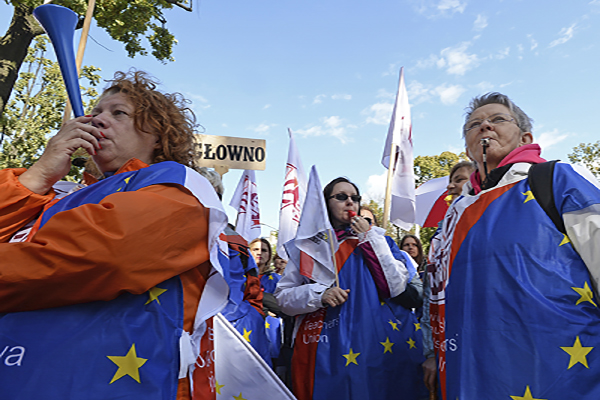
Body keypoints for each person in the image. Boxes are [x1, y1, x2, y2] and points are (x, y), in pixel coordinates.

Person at [0, 70, 228, 400]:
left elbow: (93, 258)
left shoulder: (178, 185)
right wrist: (37, 176)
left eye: (118, 112)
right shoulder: (54, 192)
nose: (97, 121)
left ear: (158, 134)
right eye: (95, 113)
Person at [432, 92, 600, 399]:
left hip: (560, 373)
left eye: (497, 119)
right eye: (474, 124)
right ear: (467, 147)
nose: (485, 127)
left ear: (525, 137)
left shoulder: (556, 178)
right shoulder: (455, 214)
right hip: (473, 374)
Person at [275, 177, 428, 400]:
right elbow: (283, 298)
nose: (350, 202)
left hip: (376, 343)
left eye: (354, 198)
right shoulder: (306, 247)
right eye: (341, 197)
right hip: (326, 349)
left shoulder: (380, 240)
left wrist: (369, 239)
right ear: (326, 203)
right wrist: (320, 295)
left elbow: (395, 286)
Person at [420, 160, 475, 399]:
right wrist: (431, 353)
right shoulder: (439, 237)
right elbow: (429, 300)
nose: (451, 186)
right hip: (450, 349)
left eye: (460, 179)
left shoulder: (496, 222)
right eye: (451, 181)